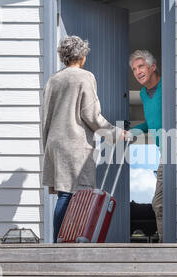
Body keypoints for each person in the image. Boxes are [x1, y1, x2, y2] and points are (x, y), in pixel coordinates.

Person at [42, 35, 128, 243]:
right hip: (74, 142)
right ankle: (62, 244)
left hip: (55, 142)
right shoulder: (84, 77)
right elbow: (90, 115)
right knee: (71, 193)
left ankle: (62, 241)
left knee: (66, 191)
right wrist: (116, 133)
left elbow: (46, 114)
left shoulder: (54, 79)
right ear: (81, 56)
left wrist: (47, 144)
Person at [129, 50, 163, 243]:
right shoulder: (143, 93)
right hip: (163, 153)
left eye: (141, 66)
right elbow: (150, 124)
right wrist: (130, 133)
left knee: (158, 203)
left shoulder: (167, 85)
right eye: (134, 69)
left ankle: (166, 249)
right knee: (159, 204)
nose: (137, 72)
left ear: (153, 66)